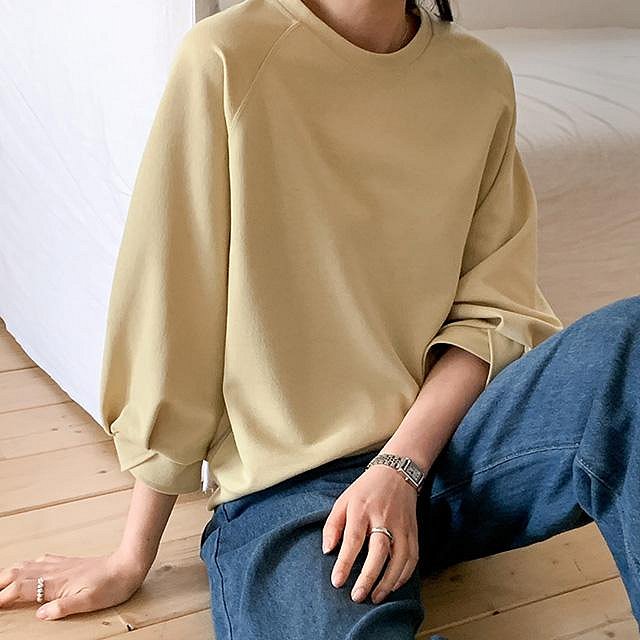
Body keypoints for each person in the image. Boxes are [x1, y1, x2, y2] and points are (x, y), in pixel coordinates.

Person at [1, 0, 639, 638]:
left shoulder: (478, 78)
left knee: (630, 346)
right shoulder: (226, 58)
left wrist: (399, 467)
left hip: (447, 452)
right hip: (292, 497)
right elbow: (175, 323)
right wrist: (130, 556)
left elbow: (494, 312)